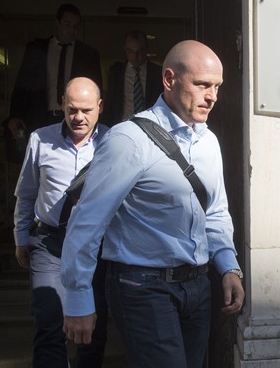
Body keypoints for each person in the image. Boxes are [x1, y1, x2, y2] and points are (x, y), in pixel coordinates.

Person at [60, 40, 245, 368]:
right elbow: (87, 222)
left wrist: (228, 266)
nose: (212, 96)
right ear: (169, 79)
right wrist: (78, 298)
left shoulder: (208, 141)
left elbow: (214, 210)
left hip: (198, 286)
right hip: (141, 288)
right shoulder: (128, 140)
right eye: (202, 84)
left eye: (216, 86)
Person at [13, 77, 109, 368]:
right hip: (49, 243)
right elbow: (27, 193)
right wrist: (20, 238)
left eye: (86, 110)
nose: (78, 117)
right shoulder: (40, 139)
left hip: (96, 247)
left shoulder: (115, 142)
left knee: (94, 328)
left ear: (100, 108)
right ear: (62, 106)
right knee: (48, 319)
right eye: (72, 109)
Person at [4, 3, 102, 162]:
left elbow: (96, 89)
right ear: (57, 23)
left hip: (73, 117)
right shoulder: (37, 49)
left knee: (73, 161)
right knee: (38, 163)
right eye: (67, 24)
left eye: (75, 26)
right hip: (41, 116)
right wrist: (15, 115)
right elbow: (22, 84)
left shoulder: (87, 54)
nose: (71, 30)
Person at [100, 30, 163, 127]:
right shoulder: (116, 71)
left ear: (146, 49)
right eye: (130, 51)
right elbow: (110, 103)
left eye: (139, 51)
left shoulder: (158, 73)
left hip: (150, 127)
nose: (135, 56)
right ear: (124, 49)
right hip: (121, 125)